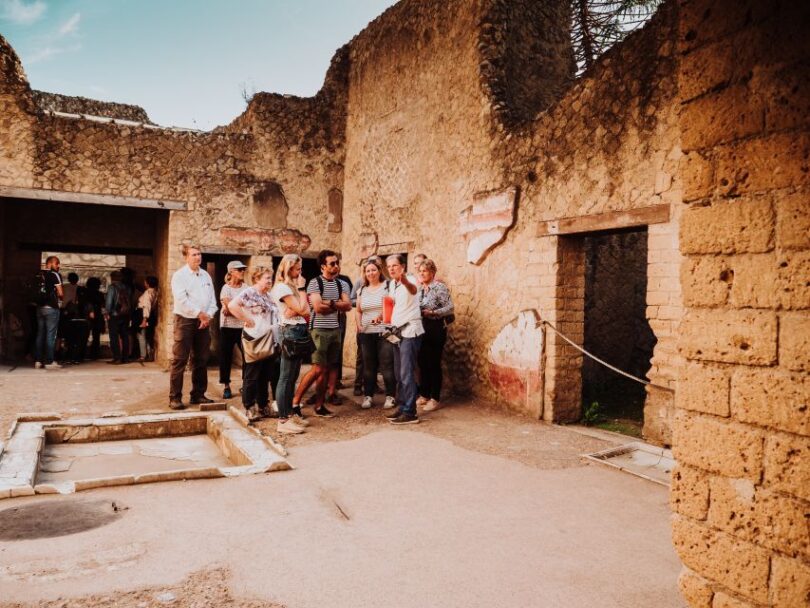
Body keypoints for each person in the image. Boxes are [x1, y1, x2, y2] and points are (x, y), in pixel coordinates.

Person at [293, 250, 352, 418]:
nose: (336, 266)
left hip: (335, 329)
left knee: (326, 370)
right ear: (323, 266)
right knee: (317, 369)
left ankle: (320, 405)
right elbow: (317, 308)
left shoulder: (342, 284)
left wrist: (330, 303)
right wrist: (337, 304)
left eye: (337, 263)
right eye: (332, 263)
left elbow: (348, 306)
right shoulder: (315, 283)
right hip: (318, 330)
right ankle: (295, 402)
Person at [228, 266, 288, 427]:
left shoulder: (268, 296)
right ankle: (249, 407)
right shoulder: (250, 292)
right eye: (267, 278)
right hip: (254, 338)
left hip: (269, 339)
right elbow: (232, 305)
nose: (270, 281)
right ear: (257, 279)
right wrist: (247, 319)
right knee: (252, 374)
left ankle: (263, 405)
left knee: (265, 374)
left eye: (270, 278)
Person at [169, 244, 218, 409]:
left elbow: (212, 300)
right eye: (194, 254)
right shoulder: (179, 276)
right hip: (185, 320)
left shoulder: (205, 276)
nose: (198, 257)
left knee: (201, 359)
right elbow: (182, 300)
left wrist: (208, 316)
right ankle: (175, 398)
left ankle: (198, 395)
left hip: (203, 321)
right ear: (186, 257)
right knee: (180, 360)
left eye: (199, 254)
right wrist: (199, 313)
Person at [271, 254, 312, 431]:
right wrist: (302, 290)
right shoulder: (282, 288)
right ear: (288, 269)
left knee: (293, 376)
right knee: (285, 377)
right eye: (297, 269)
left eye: (301, 268)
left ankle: (290, 414)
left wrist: (298, 307)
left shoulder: (291, 287)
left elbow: (306, 311)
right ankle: (283, 421)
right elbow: (302, 308)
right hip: (290, 331)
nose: (300, 272)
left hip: (299, 330)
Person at [385, 254, 424, 425]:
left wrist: (405, 281)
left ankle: (410, 412)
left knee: (406, 373)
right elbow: (394, 305)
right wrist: (383, 317)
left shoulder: (410, 280)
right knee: (399, 372)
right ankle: (402, 406)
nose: (391, 269)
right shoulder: (393, 284)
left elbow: (413, 290)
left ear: (402, 266)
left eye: (395, 265)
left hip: (410, 331)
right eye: (389, 266)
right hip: (397, 332)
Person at [355, 257, 396, 409]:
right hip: (366, 332)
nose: (370, 273)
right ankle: (368, 396)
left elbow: (392, 305)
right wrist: (359, 325)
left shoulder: (388, 286)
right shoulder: (362, 290)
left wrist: (382, 317)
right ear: (364, 274)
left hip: (384, 332)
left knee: (386, 364)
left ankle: (391, 396)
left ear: (379, 271)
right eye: (367, 271)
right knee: (369, 366)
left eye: (373, 270)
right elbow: (359, 311)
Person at [417, 259, 454, 411]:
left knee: (433, 363)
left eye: (424, 271)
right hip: (421, 326)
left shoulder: (439, 287)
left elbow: (450, 307)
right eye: (420, 271)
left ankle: (435, 398)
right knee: (422, 362)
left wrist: (433, 312)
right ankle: (424, 394)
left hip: (436, 327)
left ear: (432, 272)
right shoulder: (419, 289)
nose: (422, 273)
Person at [218, 261, 248, 399]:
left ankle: (246, 384)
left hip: (243, 327)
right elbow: (229, 307)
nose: (242, 271)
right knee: (226, 357)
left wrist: (231, 308)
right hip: (227, 327)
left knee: (248, 357)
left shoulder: (246, 288)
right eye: (239, 269)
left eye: (243, 269)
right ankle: (226, 385)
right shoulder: (226, 288)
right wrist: (235, 308)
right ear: (231, 272)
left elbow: (247, 307)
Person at [34, 255, 63, 369]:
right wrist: (60, 301)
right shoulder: (54, 274)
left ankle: (38, 361)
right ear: (50, 264)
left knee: (40, 334)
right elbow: (61, 293)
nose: (58, 266)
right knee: (51, 335)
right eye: (57, 264)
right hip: (51, 309)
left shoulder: (40, 275)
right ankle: (50, 361)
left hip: (39, 308)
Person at [105, 270, 132, 365]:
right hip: (125, 314)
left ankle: (117, 358)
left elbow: (109, 301)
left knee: (114, 336)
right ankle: (126, 358)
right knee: (124, 336)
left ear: (112, 278)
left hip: (115, 314)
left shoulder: (112, 287)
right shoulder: (127, 287)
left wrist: (107, 312)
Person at [65, 285, 92, 364]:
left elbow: (66, 313)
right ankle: (78, 358)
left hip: (72, 323)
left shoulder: (71, 303)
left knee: (72, 341)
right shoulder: (88, 304)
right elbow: (92, 315)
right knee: (81, 342)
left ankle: (70, 358)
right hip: (84, 324)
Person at [136, 276, 159, 362]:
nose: (144, 283)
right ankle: (149, 354)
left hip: (144, 315)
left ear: (148, 284)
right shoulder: (155, 292)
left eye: (145, 282)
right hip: (151, 315)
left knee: (141, 335)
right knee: (148, 335)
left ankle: (143, 355)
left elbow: (146, 306)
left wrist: (144, 319)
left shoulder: (147, 293)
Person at [85, 277, 105, 359]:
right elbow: (103, 305)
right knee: (96, 336)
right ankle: (95, 353)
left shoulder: (86, 292)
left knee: (85, 334)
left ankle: (83, 352)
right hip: (98, 314)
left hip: (87, 314)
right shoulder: (100, 294)